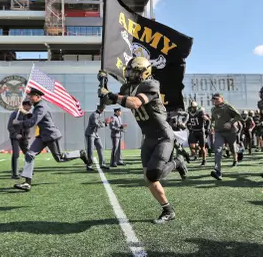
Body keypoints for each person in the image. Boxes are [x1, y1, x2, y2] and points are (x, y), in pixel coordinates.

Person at [99, 56, 188, 224]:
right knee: (149, 179)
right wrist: (103, 87)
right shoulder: (127, 87)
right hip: (148, 137)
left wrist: (110, 94)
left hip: (163, 135)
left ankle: (178, 162)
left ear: (144, 72)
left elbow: (135, 103)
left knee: (155, 174)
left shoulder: (151, 84)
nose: (130, 73)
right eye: (130, 70)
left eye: (134, 71)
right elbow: (108, 101)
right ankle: (168, 210)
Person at [12, 88, 63, 191]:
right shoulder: (38, 106)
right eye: (30, 95)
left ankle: (81, 154)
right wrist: (24, 112)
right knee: (29, 154)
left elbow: (32, 122)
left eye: (32, 96)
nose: (30, 97)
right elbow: (34, 117)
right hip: (42, 136)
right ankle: (27, 183)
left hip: (51, 136)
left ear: (38, 96)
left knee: (60, 158)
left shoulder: (41, 107)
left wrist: (19, 123)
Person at [210, 93, 243, 180]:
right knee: (217, 150)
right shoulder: (213, 109)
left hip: (230, 132)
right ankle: (218, 171)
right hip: (219, 132)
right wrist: (212, 126)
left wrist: (230, 122)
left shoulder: (227, 107)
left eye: (217, 99)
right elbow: (213, 120)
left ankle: (235, 160)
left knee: (232, 147)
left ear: (222, 99)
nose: (215, 101)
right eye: (213, 99)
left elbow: (238, 116)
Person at [7, 99, 32, 179]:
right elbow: (9, 126)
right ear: (24, 105)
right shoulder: (15, 114)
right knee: (16, 154)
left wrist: (27, 135)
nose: (30, 107)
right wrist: (16, 134)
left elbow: (27, 126)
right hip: (15, 138)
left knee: (28, 154)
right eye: (29, 105)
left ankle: (28, 171)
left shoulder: (28, 115)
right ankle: (15, 174)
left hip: (24, 138)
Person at [85, 104, 108, 171]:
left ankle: (102, 164)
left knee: (100, 147)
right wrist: (105, 124)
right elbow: (97, 125)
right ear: (101, 109)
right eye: (103, 109)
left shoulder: (98, 114)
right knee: (90, 150)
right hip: (90, 134)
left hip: (95, 134)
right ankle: (89, 165)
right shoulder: (94, 114)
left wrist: (104, 123)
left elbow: (99, 123)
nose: (104, 110)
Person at [187, 101, 208, 165]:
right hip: (193, 131)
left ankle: (204, 160)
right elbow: (187, 122)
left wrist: (207, 128)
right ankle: (197, 150)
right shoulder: (189, 113)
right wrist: (188, 127)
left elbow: (208, 120)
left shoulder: (200, 112)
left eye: (193, 107)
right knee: (191, 145)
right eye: (191, 107)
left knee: (203, 148)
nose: (192, 108)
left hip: (201, 131)